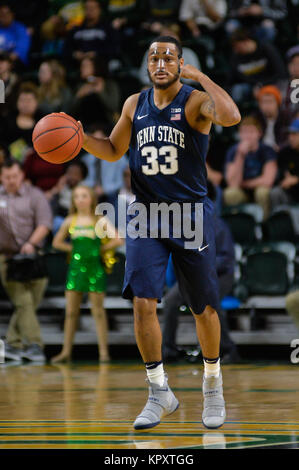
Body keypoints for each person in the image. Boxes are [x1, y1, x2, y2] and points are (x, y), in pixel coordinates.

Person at [79, 35, 241, 429]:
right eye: (154, 57)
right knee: (142, 303)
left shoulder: (196, 101)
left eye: (169, 57)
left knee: (202, 308)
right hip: (147, 215)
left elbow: (232, 116)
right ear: (147, 65)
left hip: (189, 215)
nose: (161, 62)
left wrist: (200, 76)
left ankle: (212, 386)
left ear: (181, 63)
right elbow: (115, 150)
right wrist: (81, 140)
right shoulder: (134, 103)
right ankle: (158, 391)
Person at [51, 185, 123, 363]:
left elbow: (118, 239)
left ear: (91, 198)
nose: (80, 200)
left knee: (98, 311)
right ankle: (66, 352)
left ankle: (104, 353)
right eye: (76, 196)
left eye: (84, 196)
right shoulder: (70, 220)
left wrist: (100, 249)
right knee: (70, 313)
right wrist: (73, 250)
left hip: (95, 270)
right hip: (75, 270)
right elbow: (56, 242)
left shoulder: (100, 220)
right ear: (73, 201)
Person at [0, 158, 52, 362]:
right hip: (7, 258)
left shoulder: (35, 195)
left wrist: (31, 243)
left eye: (14, 176)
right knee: (24, 302)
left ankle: (12, 344)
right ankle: (35, 345)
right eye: (6, 177)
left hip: (33, 257)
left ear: (21, 175)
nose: (11, 180)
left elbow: (45, 224)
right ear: (1, 178)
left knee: (29, 304)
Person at [224, 116, 277, 219]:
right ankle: (240, 226)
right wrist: (240, 156)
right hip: (242, 191)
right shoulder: (233, 151)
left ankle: (263, 226)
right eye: (244, 132)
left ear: (259, 134)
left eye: (251, 132)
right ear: (239, 134)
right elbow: (233, 184)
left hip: (257, 188)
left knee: (262, 192)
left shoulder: (267, 150)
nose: (247, 136)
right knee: (230, 193)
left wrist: (244, 183)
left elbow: (268, 181)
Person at [270, 118, 299, 209]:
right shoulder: (285, 152)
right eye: (289, 134)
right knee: (275, 192)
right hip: (290, 193)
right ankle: (279, 221)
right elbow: (281, 174)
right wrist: (284, 180)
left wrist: (296, 179)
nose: (291, 137)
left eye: (294, 134)